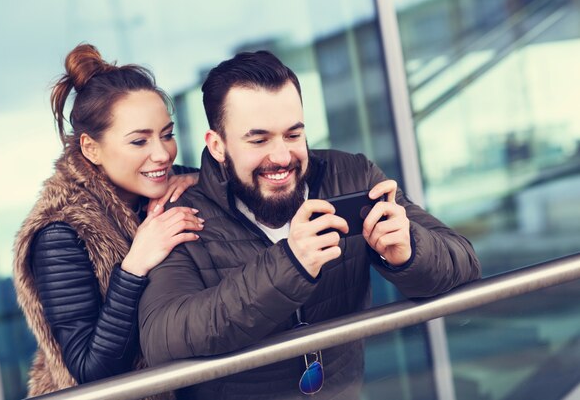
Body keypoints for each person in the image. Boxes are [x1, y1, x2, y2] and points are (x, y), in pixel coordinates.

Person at [138, 50, 481, 400]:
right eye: (258, 140)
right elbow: (163, 339)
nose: (282, 156)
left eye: (292, 135)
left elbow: (465, 265)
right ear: (218, 145)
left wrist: (410, 251)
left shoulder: (353, 178)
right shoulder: (181, 217)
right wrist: (291, 263)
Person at [13, 43, 203, 398]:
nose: (162, 154)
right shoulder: (61, 231)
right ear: (91, 148)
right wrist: (133, 268)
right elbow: (91, 370)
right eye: (139, 141)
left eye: (167, 134)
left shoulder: (180, 183)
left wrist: (207, 180)